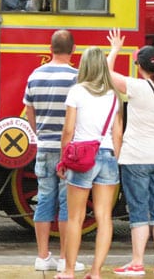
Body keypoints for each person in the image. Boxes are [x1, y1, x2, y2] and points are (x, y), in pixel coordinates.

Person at [107, 29, 154, 276]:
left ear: (139, 66)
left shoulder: (137, 87)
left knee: (139, 209)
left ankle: (137, 262)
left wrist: (115, 49)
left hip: (137, 158)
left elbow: (107, 74)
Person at [56, 47, 123, 279]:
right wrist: (116, 158)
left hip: (82, 158)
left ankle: (69, 270)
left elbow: (68, 130)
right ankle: (96, 272)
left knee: (76, 217)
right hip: (107, 156)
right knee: (104, 217)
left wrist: (63, 158)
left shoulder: (77, 92)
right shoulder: (114, 95)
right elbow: (118, 134)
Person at [23, 30, 85, 273]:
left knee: (45, 198)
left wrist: (37, 131)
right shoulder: (76, 77)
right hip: (68, 149)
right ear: (73, 49)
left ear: (50, 48)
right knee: (66, 203)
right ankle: (63, 258)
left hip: (44, 145)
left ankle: (42, 256)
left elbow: (29, 109)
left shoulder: (35, 75)